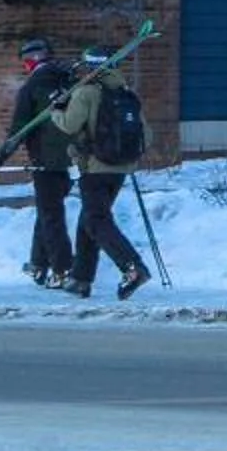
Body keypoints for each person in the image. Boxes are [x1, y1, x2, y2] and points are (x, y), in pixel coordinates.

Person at [55, 50, 151, 300]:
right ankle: (80, 278)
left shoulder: (86, 92)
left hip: (94, 167)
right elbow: (146, 136)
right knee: (90, 218)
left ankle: (132, 267)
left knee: (96, 220)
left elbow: (69, 124)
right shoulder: (128, 95)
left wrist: (55, 109)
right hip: (120, 169)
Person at [0, 39, 78, 290]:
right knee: (48, 209)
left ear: (31, 59)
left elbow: (19, 128)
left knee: (51, 215)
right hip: (72, 158)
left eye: (25, 61)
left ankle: (62, 269)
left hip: (45, 161)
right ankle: (38, 264)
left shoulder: (32, 86)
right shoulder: (69, 82)